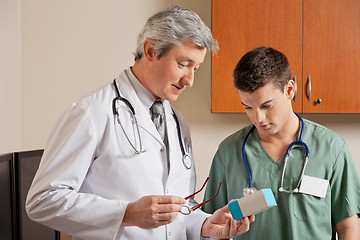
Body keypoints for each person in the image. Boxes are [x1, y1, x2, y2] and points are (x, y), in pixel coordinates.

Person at [26, 6, 254, 240]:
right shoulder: (91, 114)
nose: (190, 80)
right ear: (151, 50)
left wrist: (205, 224)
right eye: (183, 64)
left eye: (195, 68)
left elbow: (179, 208)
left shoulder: (178, 124)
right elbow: (42, 201)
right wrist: (126, 213)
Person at [202, 46, 360, 239]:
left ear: (290, 89)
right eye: (248, 107)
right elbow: (212, 225)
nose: (258, 118)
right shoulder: (229, 152)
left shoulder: (332, 148)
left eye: (266, 105)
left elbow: (348, 228)